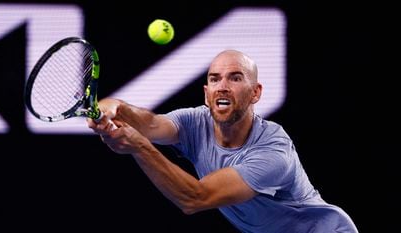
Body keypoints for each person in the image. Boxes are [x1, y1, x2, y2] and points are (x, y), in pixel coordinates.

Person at [87, 50, 359, 233]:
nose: (223, 86)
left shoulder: (274, 151)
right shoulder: (195, 121)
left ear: (255, 93)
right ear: (207, 94)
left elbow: (195, 198)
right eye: (214, 79)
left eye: (235, 78)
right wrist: (116, 108)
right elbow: (150, 124)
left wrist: (140, 146)